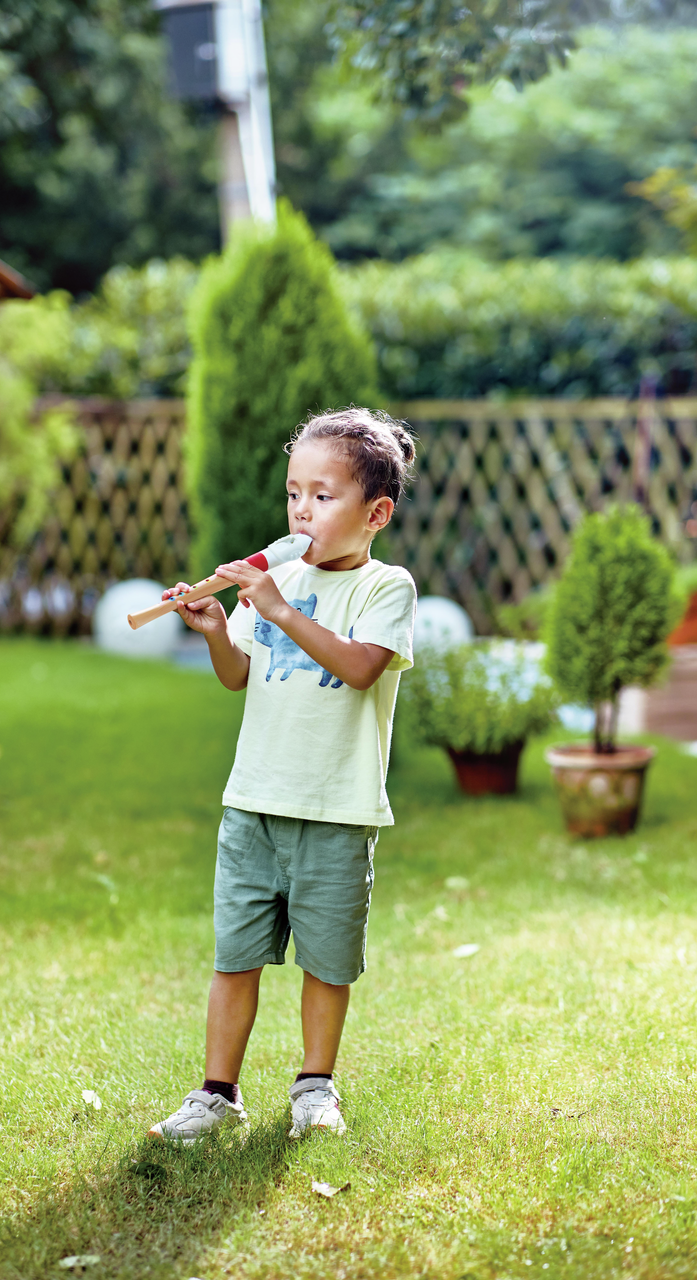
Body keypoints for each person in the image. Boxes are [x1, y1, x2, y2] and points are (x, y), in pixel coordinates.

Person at [150, 407, 417, 1143]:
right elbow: (239, 676)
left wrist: (279, 607)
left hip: (337, 809)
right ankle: (215, 1094)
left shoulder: (385, 588)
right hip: (253, 802)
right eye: (295, 492)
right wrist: (215, 632)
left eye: (323, 495)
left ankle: (314, 1087)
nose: (302, 509)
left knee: (326, 963)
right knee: (235, 956)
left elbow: (362, 668)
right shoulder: (276, 579)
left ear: (376, 512)